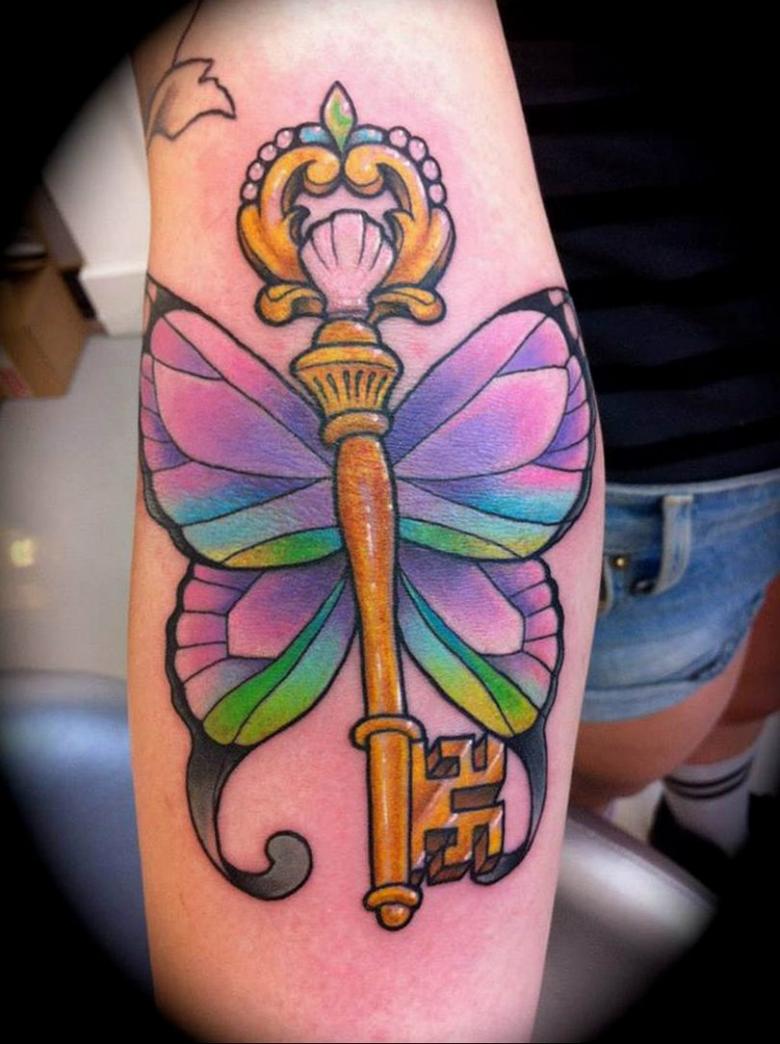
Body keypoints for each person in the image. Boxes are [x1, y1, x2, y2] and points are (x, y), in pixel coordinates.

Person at [497, 34, 780, 895]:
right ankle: (661, 872)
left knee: (750, 686)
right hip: (645, 451)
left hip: (720, 427)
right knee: (585, 786)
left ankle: (706, 839)